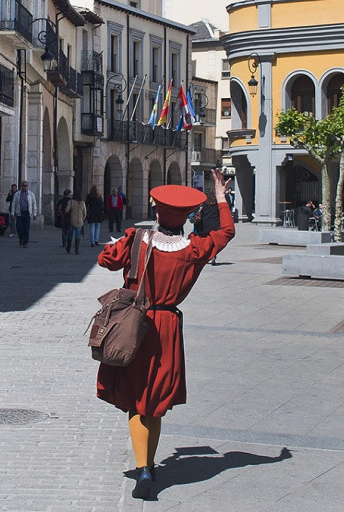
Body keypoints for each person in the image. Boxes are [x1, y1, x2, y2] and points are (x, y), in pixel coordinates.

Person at [96, 170, 234, 499]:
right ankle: (149, 467)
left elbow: (105, 260)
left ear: (157, 212)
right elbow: (226, 232)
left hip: (134, 325)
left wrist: (118, 247)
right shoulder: (193, 249)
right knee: (154, 402)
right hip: (167, 328)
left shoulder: (136, 239)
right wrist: (220, 196)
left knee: (135, 400)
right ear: (187, 218)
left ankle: (143, 467)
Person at [193, 180, 222, 266]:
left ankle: (206, 255)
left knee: (205, 242)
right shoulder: (216, 204)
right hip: (215, 226)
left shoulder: (202, 204)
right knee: (213, 242)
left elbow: (196, 213)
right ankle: (213, 256)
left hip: (204, 226)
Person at [14, 181, 38, 248]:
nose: (25, 187)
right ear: (21, 186)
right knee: (19, 226)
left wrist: (34, 213)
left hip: (27, 213)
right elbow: (14, 203)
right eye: (24, 185)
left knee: (26, 228)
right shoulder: (17, 194)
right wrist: (13, 213)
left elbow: (34, 204)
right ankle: (21, 238)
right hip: (19, 212)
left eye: (26, 185)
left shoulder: (31, 194)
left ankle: (25, 242)